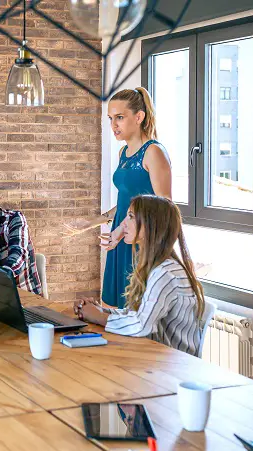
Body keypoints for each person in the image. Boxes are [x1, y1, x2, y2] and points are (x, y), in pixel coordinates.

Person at [62, 87, 172, 308]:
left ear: (139, 117)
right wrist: (93, 222)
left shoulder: (154, 152)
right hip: (120, 238)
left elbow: (166, 208)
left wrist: (123, 229)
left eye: (120, 118)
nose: (113, 125)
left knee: (134, 311)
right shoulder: (123, 153)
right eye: (111, 118)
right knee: (113, 308)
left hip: (142, 242)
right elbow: (126, 200)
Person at [73, 195, 205, 356]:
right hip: (155, 359)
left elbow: (141, 325)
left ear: (151, 225)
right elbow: (137, 315)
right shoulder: (156, 267)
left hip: (173, 366)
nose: (123, 223)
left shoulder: (165, 273)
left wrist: (98, 317)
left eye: (130, 217)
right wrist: (97, 310)